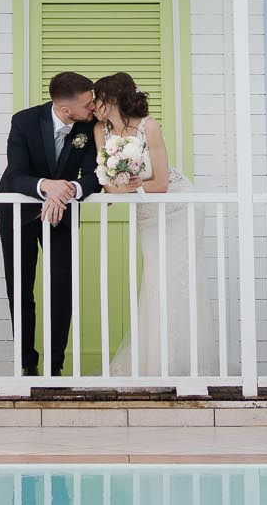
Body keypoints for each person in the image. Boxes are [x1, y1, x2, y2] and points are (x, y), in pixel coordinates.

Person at [91, 71, 219, 378]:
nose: (93, 104)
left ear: (112, 99)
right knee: (155, 283)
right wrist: (121, 186)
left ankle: (184, 365)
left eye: (98, 97)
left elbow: (161, 183)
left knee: (178, 282)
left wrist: (124, 187)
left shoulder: (149, 126)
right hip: (146, 213)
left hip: (177, 208)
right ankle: (154, 363)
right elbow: (108, 184)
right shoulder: (101, 131)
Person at [0, 71, 99, 377]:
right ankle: (28, 363)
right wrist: (47, 187)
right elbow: (16, 173)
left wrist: (66, 191)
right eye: (88, 103)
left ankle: (55, 366)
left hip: (61, 212)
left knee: (61, 287)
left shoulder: (90, 127)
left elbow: (94, 175)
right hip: (18, 211)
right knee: (21, 286)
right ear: (66, 110)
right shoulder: (24, 121)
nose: (93, 106)